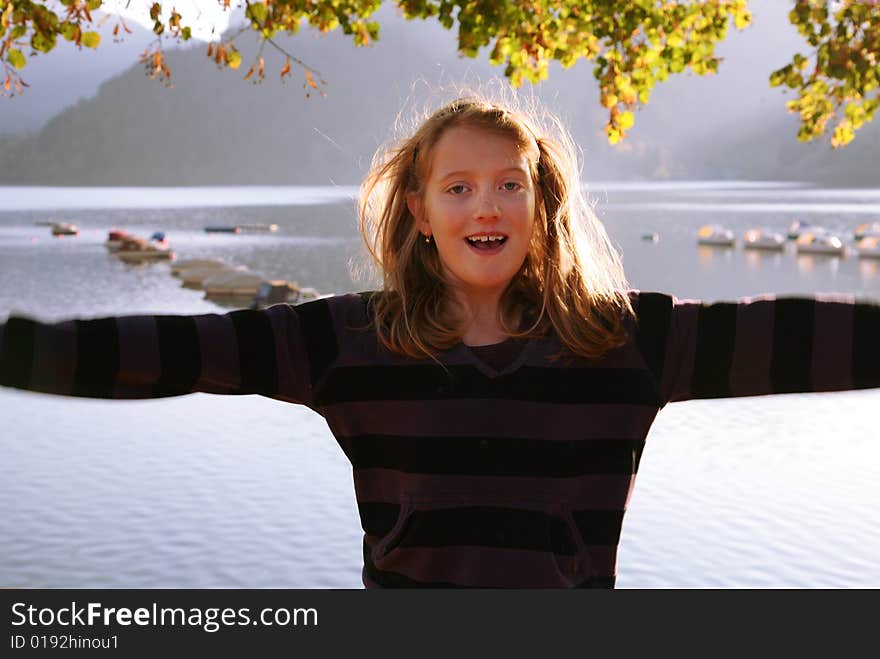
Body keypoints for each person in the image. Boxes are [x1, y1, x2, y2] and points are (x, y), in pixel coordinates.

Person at [1, 95, 878, 588]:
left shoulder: (624, 340)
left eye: (508, 185)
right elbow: (171, 352)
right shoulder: (350, 340)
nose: (485, 206)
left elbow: (798, 338)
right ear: (418, 210)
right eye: (457, 187)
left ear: (543, 208)